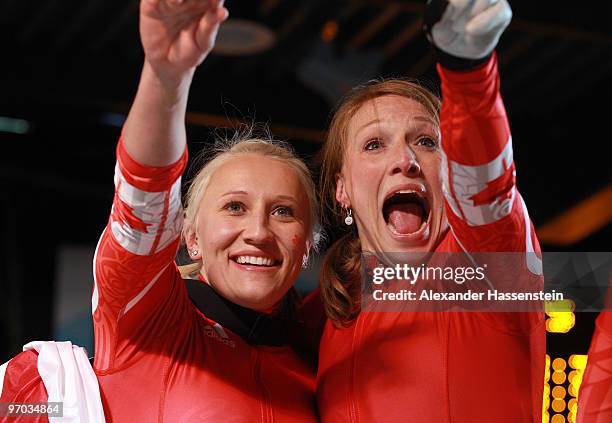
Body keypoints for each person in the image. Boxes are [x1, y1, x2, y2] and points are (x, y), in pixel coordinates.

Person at [90, 0, 320, 421]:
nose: (259, 232)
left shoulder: (314, 362)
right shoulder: (147, 319)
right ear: (191, 238)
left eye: (283, 212)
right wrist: (166, 76)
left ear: (307, 246)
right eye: (235, 206)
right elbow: (143, 201)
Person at [316, 0, 545, 421]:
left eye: (426, 141)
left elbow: (487, 190)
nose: (406, 160)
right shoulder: (324, 312)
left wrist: (469, 71)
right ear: (342, 190)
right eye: (373, 144)